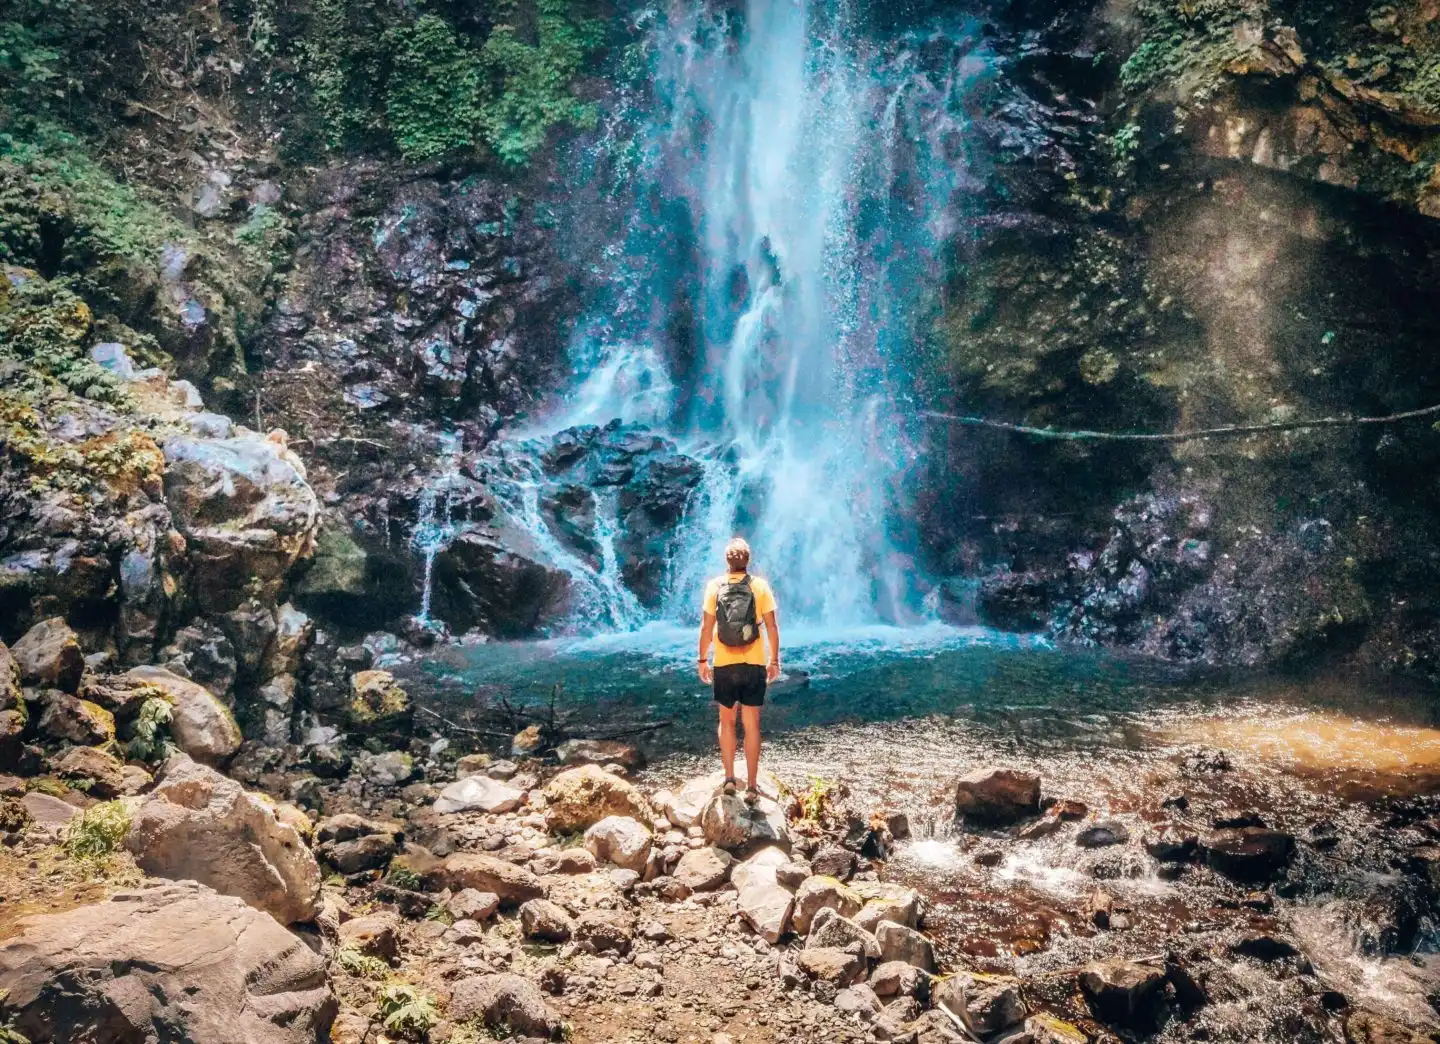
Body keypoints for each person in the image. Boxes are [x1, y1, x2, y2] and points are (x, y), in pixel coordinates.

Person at [698, 537, 780, 806]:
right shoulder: (759, 586)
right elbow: (772, 627)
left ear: (727, 561)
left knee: (727, 721)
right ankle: (753, 786)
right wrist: (774, 660)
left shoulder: (715, 586)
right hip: (754, 662)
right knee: (752, 724)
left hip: (724, 663)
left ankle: (730, 779)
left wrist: (702, 659)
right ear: (747, 561)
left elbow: (706, 628)